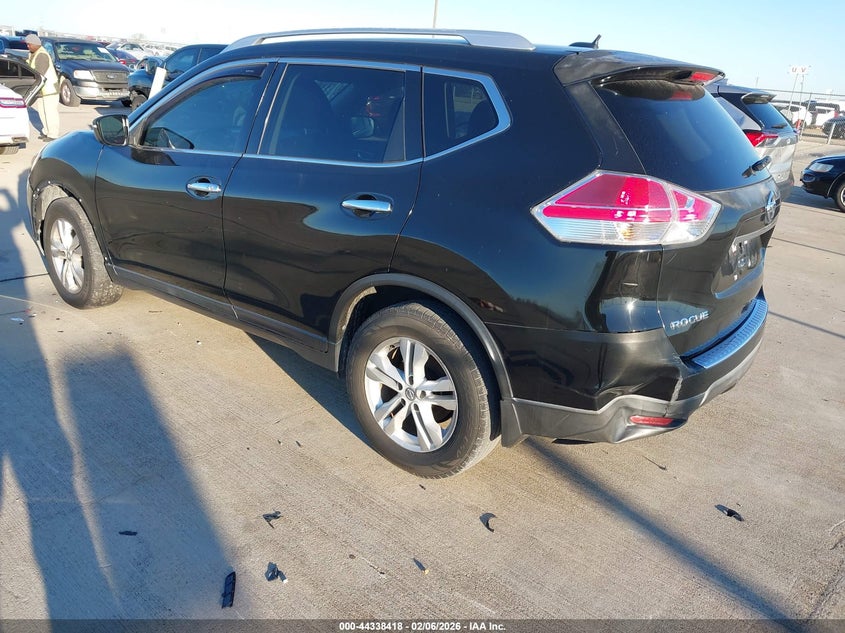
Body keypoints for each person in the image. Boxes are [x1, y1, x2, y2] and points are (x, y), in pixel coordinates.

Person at [24, 34, 60, 141]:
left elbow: (39, 73)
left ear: (35, 44)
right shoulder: (33, 53)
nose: (28, 47)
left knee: (50, 113)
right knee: (43, 112)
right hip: (41, 90)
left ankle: (53, 134)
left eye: (29, 44)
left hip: (49, 90)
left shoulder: (42, 55)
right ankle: (46, 131)